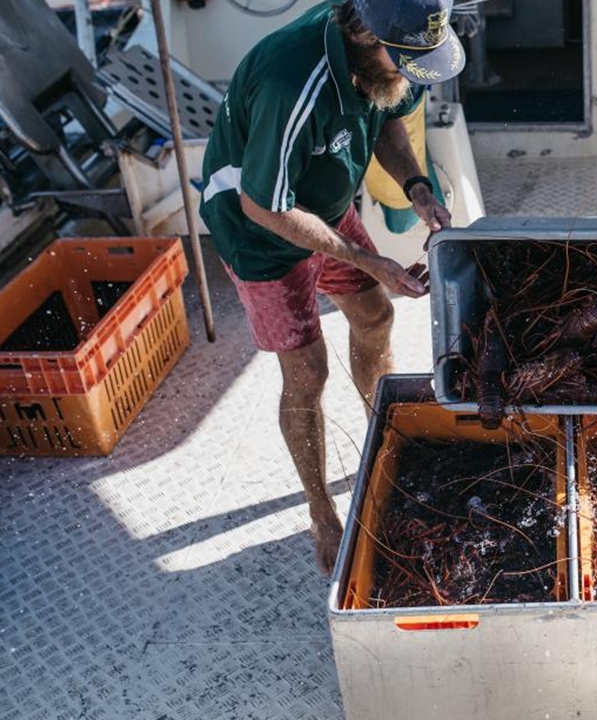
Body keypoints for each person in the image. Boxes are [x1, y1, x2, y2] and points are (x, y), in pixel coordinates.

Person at [200, 0, 465, 574]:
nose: (410, 73)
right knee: (307, 370)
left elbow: (389, 108)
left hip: (322, 199)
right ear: (368, 36)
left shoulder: (387, 51)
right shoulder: (291, 82)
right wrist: (369, 261)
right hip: (260, 229)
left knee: (376, 318)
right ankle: (320, 511)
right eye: (406, 62)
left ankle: (383, 437)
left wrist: (416, 184)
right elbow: (264, 204)